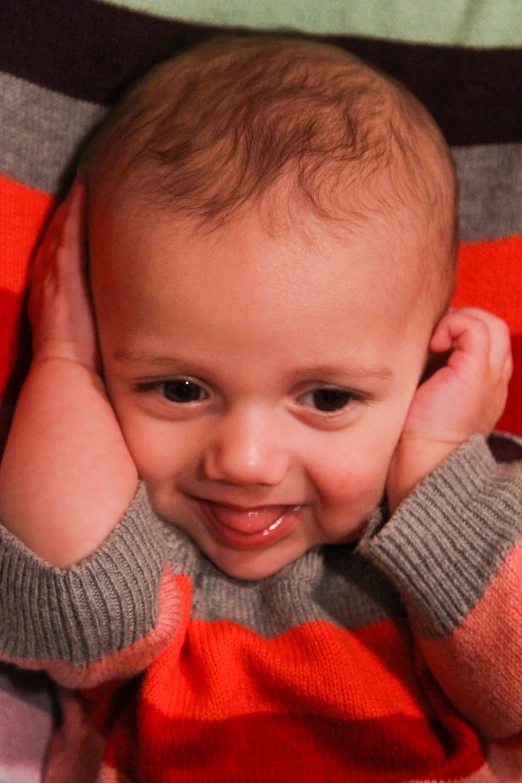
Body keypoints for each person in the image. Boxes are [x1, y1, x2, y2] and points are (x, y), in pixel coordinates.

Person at [0, 34, 520, 782]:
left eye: (328, 397)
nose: (244, 460)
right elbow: (69, 617)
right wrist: (60, 362)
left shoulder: (449, 536)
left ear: (430, 368)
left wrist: (440, 460)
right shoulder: (151, 569)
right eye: (179, 388)